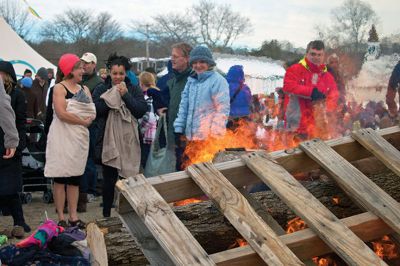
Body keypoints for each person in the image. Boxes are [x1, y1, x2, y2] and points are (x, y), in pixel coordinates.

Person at [92, 53, 147, 217]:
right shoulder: (101, 88)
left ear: (126, 73)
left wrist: (125, 95)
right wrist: (112, 97)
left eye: (121, 73)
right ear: (109, 72)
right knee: (109, 180)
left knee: (129, 179)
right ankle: (107, 214)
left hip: (129, 140)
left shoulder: (134, 88)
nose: (117, 77)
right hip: (107, 139)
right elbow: (96, 110)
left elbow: (140, 110)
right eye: (114, 73)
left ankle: (128, 213)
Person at [44, 54, 95, 228]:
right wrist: (81, 121)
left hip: (78, 140)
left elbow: (90, 111)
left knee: (75, 178)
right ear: (70, 70)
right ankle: (61, 217)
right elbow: (61, 113)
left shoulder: (85, 90)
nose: (83, 70)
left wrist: (81, 117)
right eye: (80, 67)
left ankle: (73, 216)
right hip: (61, 138)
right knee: (60, 178)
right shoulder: (59, 88)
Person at [173, 46, 230, 157]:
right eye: (195, 62)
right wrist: (179, 129)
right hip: (190, 137)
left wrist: (215, 134)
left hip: (207, 139)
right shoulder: (191, 81)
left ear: (209, 63)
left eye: (202, 62)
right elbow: (183, 106)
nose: (198, 65)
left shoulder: (218, 81)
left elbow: (222, 109)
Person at [282, 40, 338, 139]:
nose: (316, 57)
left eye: (319, 55)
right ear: (307, 54)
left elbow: (334, 95)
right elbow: (288, 86)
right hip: (296, 126)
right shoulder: (295, 69)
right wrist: (311, 92)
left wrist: (328, 107)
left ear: (323, 56)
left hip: (317, 127)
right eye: (313, 54)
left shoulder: (327, 76)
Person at [0, 61, 31, 237]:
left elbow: (20, 120)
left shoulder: (17, 94)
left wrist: (17, 144)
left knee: (11, 187)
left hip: (11, 143)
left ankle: (19, 221)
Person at [78, 52, 104, 211]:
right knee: (82, 159)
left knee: (89, 160)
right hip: (79, 124)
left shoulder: (98, 83)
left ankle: (91, 190)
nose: (84, 65)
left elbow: (94, 107)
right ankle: (84, 190)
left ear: (94, 64)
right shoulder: (80, 80)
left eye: (87, 63)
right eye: (83, 62)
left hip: (92, 125)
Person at [166, 42, 193, 170]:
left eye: (176, 56)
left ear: (187, 59)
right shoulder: (176, 79)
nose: (172, 59)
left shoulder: (194, 79)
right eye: (172, 56)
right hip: (176, 137)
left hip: (188, 139)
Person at [138, 71, 166, 169]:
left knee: (147, 165)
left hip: (148, 137)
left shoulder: (147, 97)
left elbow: (149, 117)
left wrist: (139, 130)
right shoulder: (158, 93)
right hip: (158, 135)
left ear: (141, 83)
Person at [226, 65, 252, 129]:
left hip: (230, 118)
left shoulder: (225, 86)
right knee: (242, 137)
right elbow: (249, 101)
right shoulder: (246, 88)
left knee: (229, 137)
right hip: (244, 118)